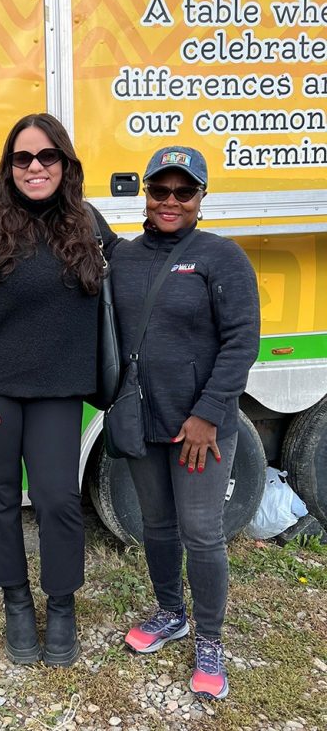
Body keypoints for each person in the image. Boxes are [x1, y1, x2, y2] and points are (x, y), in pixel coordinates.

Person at [0, 113, 118, 666]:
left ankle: (61, 604)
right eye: (22, 158)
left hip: (58, 390)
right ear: (9, 166)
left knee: (59, 497)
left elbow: (130, 272)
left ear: (65, 163)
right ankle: (16, 601)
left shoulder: (87, 223)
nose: (35, 167)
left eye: (47, 156)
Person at [110, 146, 260, 699]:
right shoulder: (123, 258)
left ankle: (211, 641)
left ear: (201, 198)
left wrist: (208, 414)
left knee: (202, 534)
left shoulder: (221, 258)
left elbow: (243, 341)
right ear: (145, 195)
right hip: (142, 421)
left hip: (200, 429)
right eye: (160, 190)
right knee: (157, 526)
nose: (170, 201)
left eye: (184, 192)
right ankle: (171, 613)